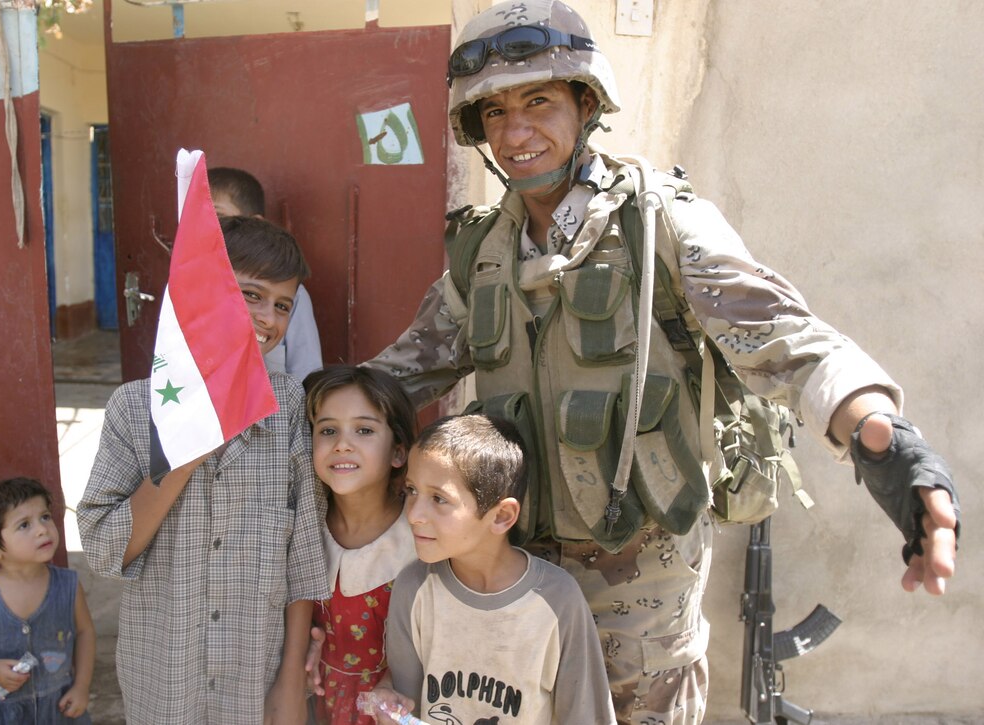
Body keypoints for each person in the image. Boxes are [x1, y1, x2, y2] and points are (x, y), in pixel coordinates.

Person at [365, 2, 960, 723]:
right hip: (513, 573)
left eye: (539, 102)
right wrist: (295, 424)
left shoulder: (660, 224)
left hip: (638, 586)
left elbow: (787, 340)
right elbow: (391, 380)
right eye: (493, 113)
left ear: (587, 103)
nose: (515, 132)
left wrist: (885, 442)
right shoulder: (484, 254)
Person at [77, 216, 328, 724]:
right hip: (163, 678)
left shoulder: (290, 414)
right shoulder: (133, 410)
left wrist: (288, 684)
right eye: (251, 295)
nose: (268, 318)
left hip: (254, 678)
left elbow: (304, 560)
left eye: (282, 305)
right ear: (201, 294)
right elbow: (104, 550)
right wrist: (187, 446)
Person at [369, 414, 615, 725]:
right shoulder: (414, 587)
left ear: (501, 516)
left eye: (439, 499)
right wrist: (389, 701)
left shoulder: (557, 600)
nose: (415, 514)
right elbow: (408, 705)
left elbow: (585, 716)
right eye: (412, 490)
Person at [301, 365, 418, 724]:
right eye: (328, 430)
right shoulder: (303, 530)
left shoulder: (422, 537)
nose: (342, 444)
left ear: (398, 453)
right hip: (318, 705)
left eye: (364, 430)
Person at [0, 477, 94, 724]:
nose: (42, 529)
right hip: (4, 712)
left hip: (58, 707)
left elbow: (84, 633)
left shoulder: (68, 585)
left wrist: (81, 687)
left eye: (45, 517)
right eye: (24, 525)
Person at [209, 165, 323, 380]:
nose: (269, 319)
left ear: (254, 223)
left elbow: (306, 372)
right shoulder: (184, 287)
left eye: (218, 217)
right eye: (252, 295)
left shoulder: (294, 296)